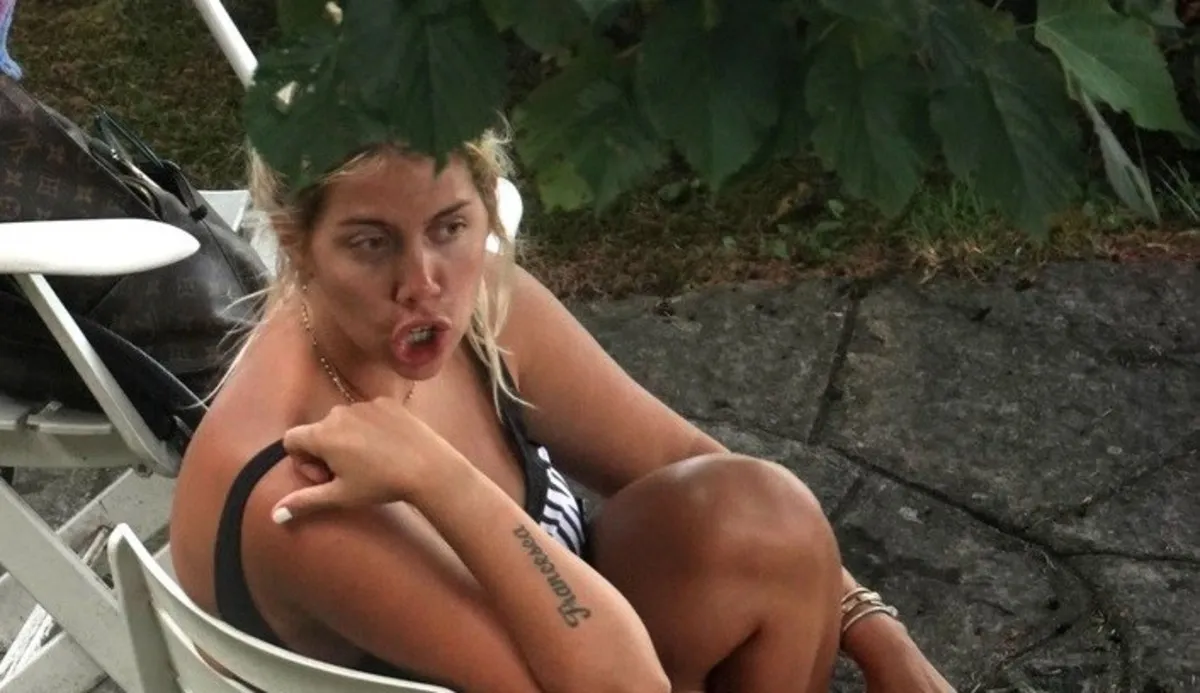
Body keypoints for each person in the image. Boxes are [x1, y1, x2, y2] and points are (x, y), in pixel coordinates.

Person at [169, 128, 954, 693]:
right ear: (295, 241)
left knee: (763, 515)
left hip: (580, 648)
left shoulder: (478, 308)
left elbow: (685, 460)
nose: (424, 282)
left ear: (487, 206)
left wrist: (875, 629)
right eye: (372, 244)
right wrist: (441, 477)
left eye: (450, 227)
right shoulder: (295, 482)